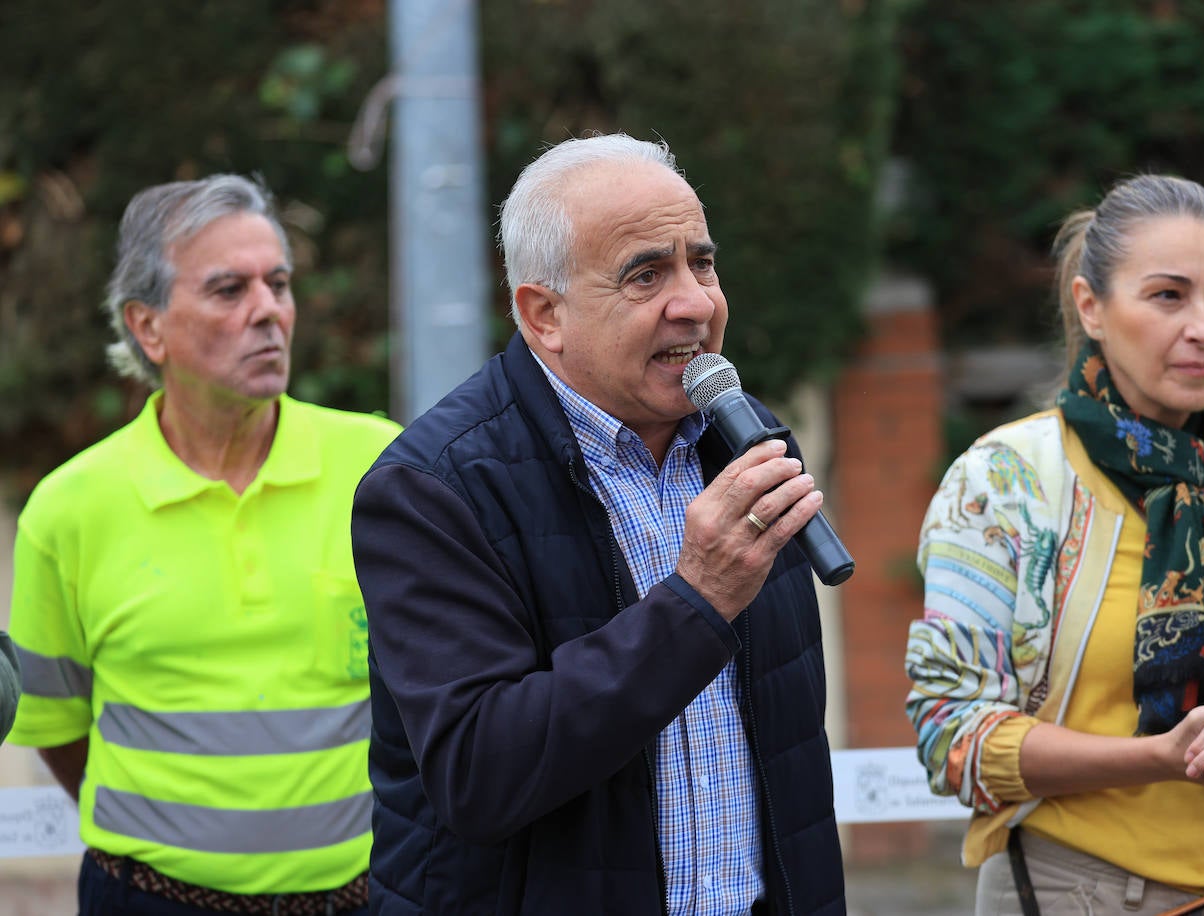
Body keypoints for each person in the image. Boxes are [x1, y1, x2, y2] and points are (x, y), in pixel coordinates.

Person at [352, 132, 845, 915]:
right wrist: (695, 601)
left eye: (702, 263)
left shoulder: (747, 444)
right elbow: (480, 777)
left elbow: (793, 772)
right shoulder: (433, 489)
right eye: (646, 274)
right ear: (544, 314)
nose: (695, 303)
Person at [904, 174, 1204, 915]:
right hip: (1078, 893)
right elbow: (952, 734)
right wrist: (1160, 757)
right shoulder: (1006, 481)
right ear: (1091, 306)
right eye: (1167, 296)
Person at [7, 173, 401, 915]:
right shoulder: (68, 510)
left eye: (277, 284)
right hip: (147, 900)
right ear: (147, 327)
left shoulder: (381, 468)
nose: (269, 310)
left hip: (362, 898)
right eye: (228, 290)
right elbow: (55, 728)